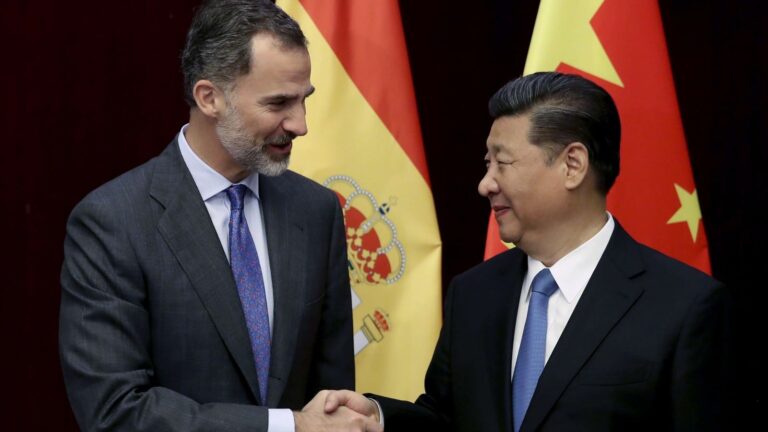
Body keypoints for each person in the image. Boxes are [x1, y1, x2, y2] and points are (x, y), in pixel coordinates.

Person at [323, 72, 726, 431]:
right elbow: (447, 418)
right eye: (488, 163)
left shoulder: (682, 307)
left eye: (502, 163)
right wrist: (378, 418)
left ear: (572, 165)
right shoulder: (474, 293)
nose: (485, 184)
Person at [59, 1, 380, 431]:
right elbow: (114, 410)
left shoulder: (316, 210)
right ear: (209, 98)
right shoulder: (113, 222)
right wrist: (289, 426)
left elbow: (332, 400)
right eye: (278, 103)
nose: (300, 124)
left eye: (304, 100)